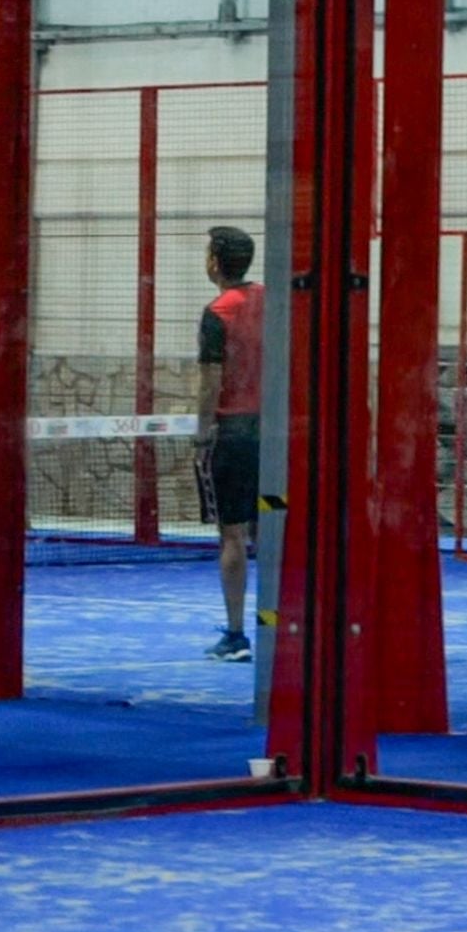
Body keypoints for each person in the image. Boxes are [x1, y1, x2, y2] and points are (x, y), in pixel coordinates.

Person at [196, 226, 265, 662]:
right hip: (275, 436)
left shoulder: (217, 312)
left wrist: (203, 433)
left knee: (233, 535)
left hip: (234, 436)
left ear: (216, 262)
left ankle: (237, 634)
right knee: (272, 526)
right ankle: (282, 626)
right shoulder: (273, 299)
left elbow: (210, 381)